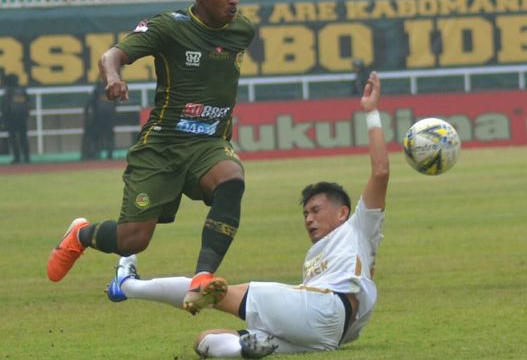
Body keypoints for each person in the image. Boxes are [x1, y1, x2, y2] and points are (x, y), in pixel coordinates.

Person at [104, 71, 389, 358]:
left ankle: (128, 285)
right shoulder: (315, 257)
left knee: (212, 290)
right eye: (305, 213)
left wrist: (372, 112)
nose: (308, 219)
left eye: (316, 210)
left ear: (343, 212)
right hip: (326, 335)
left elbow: (380, 172)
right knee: (205, 340)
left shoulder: (358, 229)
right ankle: (243, 349)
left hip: (325, 308)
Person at [47, 0, 257, 315]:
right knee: (134, 239)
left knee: (232, 179)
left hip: (209, 144)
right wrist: (113, 78)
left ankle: (203, 277)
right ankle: (80, 234)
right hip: (162, 147)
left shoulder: (242, 30)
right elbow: (110, 56)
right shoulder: (169, 27)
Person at [81, 78, 118, 160]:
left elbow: (91, 101)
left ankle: (95, 153)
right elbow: (116, 103)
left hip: (98, 116)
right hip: (109, 116)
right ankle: (110, 155)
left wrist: (88, 113)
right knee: (109, 136)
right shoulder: (112, 88)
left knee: (95, 135)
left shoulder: (97, 88)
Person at [0, 74, 31, 164]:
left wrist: (3, 121)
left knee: (13, 139)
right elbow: (29, 105)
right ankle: (27, 157)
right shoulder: (23, 91)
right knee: (23, 138)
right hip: (22, 118)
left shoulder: (8, 93)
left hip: (11, 118)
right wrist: (26, 115)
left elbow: (4, 108)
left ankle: (17, 158)